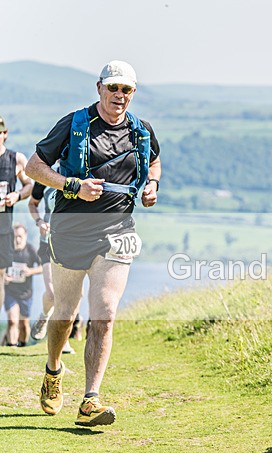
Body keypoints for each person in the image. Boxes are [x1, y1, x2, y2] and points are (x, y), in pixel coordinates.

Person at [26, 60, 161, 427]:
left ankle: (91, 399)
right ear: (99, 88)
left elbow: (155, 163)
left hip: (117, 231)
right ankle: (53, 371)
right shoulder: (74, 124)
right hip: (70, 230)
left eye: (126, 90)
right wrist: (73, 186)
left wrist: (152, 187)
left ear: (133, 93)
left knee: (104, 312)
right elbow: (34, 168)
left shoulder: (141, 131)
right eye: (113, 88)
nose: (119, 96)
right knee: (65, 314)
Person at [28, 182, 75, 354]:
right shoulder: (44, 176)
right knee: (53, 293)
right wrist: (39, 221)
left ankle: (64, 340)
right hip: (47, 243)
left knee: (71, 294)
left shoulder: (76, 173)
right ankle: (44, 316)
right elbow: (32, 203)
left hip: (72, 244)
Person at [0, 115, 34, 320]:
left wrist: (17, 195)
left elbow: (30, 185)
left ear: (5, 134)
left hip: (3, 229)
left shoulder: (16, 159)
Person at [4, 224, 42, 346]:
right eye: (15, 236)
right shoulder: (7, 250)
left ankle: (22, 344)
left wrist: (30, 271)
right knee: (12, 321)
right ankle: (11, 346)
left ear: (25, 236)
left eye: (20, 236)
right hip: (10, 292)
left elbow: (44, 267)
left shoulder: (31, 250)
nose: (18, 239)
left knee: (24, 324)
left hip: (26, 294)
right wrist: (3, 276)